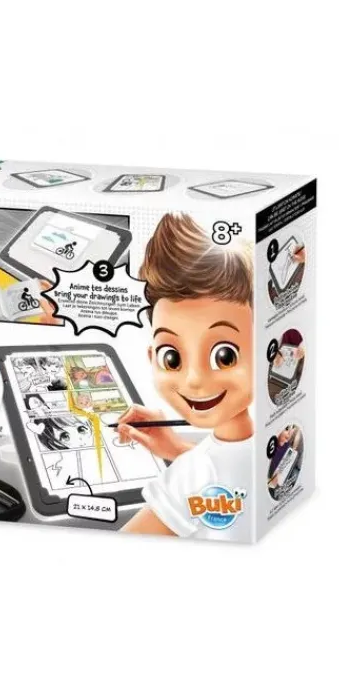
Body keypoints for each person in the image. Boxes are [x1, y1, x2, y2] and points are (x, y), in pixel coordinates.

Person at [118, 213, 255, 538]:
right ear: (152, 357)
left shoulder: (192, 475)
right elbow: (234, 472)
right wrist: (179, 449)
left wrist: (188, 462)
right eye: (172, 358)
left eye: (224, 356)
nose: (194, 379)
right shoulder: (272, 439)